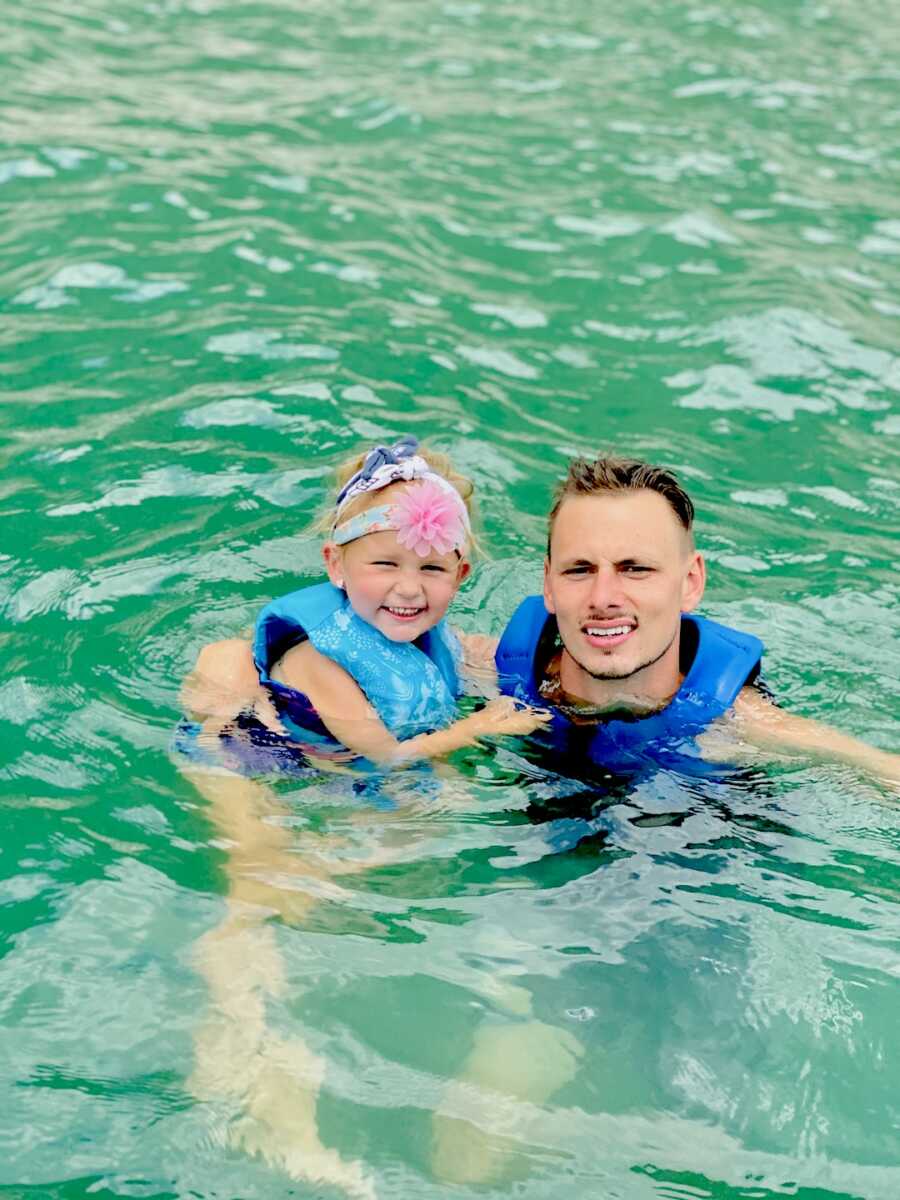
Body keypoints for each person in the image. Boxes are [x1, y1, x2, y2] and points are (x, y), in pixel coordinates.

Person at [485, 454, 898, 783]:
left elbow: (880, 772)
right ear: (549, 583)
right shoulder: (493, 672)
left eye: (636, 569)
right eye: (579, 569)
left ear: (690, 582)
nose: (603, 597)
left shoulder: (738, 725)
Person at [181, 435, 547, 767]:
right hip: (250, 755)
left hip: (335, 766)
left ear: (459, 577)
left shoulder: (436, 635)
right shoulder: (321, 662)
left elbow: (477, 655)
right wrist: (476, 727)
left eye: (432, 568)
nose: (408, 588)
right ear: (336, 564)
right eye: (386, 564)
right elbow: (387, 756)